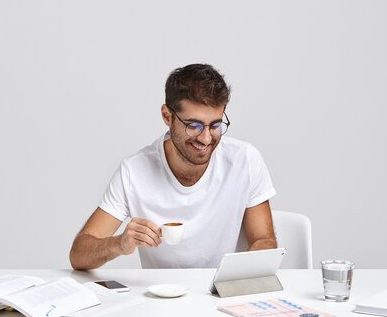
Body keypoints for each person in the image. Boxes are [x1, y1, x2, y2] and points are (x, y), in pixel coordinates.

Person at [69, 63, 277, 270]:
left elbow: (264, 241)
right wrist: (119, 244)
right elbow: (79, 255)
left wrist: (235, 281)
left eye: (215, 125)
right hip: (161, 297)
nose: (206, 139)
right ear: (167, 116)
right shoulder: (134, 171)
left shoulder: (244, 160)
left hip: (221, 294)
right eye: (193, 125)